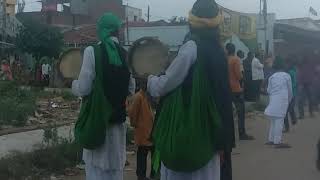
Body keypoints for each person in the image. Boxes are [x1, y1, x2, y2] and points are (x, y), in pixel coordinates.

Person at [147, 0, 234, 180]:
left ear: (192, 21)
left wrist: (150, 80)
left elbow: (166, 84)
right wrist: (224, 142)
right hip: (213, 132)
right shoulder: (219, 51)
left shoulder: (191, 47)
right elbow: (224, 98)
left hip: (189, 131)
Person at [72, 13, 133, 180]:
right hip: (117, 125)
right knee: (115, 171)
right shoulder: (126, 54)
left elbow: (84, 88)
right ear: (117, 31)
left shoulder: (92, 51)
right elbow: (131, 88)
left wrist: (73, 85)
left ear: (101, 30)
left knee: (96, 171)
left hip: (96, 123)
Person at [127, 81, 155, 180]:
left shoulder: (145, 97)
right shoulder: (138, 97)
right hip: (143, 131)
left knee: (152, 155)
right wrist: (135, 124)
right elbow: (132, 112)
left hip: (149, 131)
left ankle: (152, 175)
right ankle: (141, 176)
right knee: (142, 155)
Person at [226, 43, 254, 141]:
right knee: (240, 112)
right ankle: (242, 134)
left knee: (228, 113)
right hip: (236, 89)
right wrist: (242, 80)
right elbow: (238, 75)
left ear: (227, 50)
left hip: (226, 89)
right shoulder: (235, 60)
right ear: (234, 50)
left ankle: (229, 135)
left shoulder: (224, 60)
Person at [265, 57, 292, 148]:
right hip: (282, 101)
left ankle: (271, 140)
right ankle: (277, 142)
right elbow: (290, 91)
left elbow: (268, 90)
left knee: (273, 121)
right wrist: (289, 100)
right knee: (279, 121)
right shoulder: (286, 76)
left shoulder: (272, 77)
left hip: (273, 100)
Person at [284, 58, 298, 132]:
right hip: (291, 94)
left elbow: (294, 83)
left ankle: (287, 127)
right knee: (290, 109)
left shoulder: (291, 72)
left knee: (286, 110)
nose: (286, 65)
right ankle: (293, 120)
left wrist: (289, 89)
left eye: (287, 64)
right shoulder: (291, 71)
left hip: (291, 94)